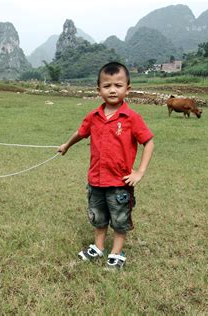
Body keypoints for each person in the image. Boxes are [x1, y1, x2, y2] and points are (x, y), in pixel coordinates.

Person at [58, 62, 154, 270]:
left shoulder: (132, 118)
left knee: (120, 219)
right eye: (107, 85)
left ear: (128, 88)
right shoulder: (93, 117)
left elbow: (148, 142)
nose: (112, 90)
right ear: (98, 90)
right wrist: (66, 145)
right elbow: (80, 133)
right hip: (96, 180)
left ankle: (117, 253)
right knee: (98, 216)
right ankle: (98, 246)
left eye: (118, 85)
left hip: (120, 182)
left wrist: (140, 171)